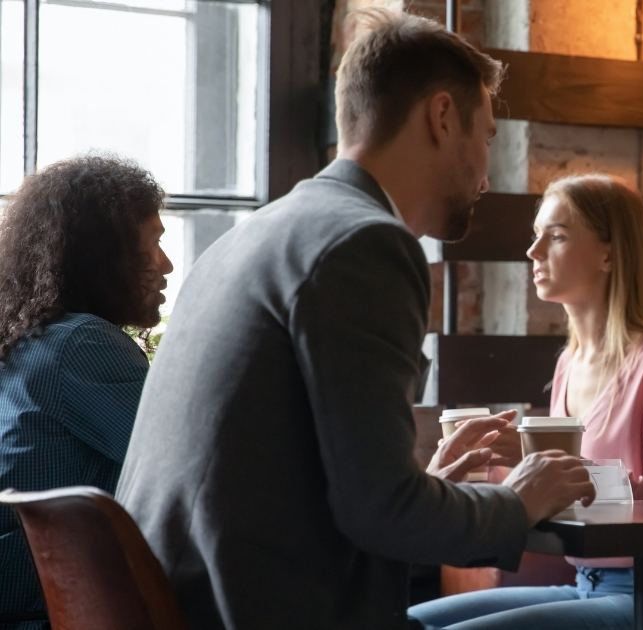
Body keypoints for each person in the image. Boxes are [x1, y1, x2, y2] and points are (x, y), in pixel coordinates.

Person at [115, 8, 594, 629]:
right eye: (487, 138)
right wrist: (517, 501)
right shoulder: (365, 244)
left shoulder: (249, 237)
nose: (486, 171)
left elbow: (336, 490)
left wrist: (428, 489)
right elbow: (380, 512)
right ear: (442, 117)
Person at [409, 173, 643, 630]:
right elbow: (565, 495)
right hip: (587, 585)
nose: (533, 252)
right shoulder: (569, 363)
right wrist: (489, 466)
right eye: (536, 235)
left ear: (609, 253)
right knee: (410, 621)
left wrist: (552, 468)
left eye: (555, 236)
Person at [0, 155, 173, 628]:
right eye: (153, 243)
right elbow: (182, 465)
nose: (167, 265)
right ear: (103, 255)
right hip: (49, 612)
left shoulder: (31, 339)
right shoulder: (83, 344)